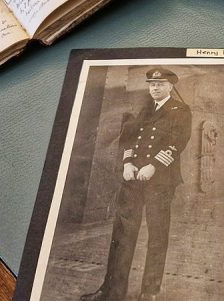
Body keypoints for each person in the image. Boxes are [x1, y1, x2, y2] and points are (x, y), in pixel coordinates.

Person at [82, 68, 192, 301]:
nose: (155, 88)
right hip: (133, 179)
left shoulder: (180, 111)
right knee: (121, 234)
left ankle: (149, 292)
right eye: (152, 84)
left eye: (160, 84)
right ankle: (111, 291)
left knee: (157, 236)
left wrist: (154, 165)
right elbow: (129, 137)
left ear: (170, 86)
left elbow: (177, 142)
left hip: (160, 181)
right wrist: (128, 162)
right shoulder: (145, 109)